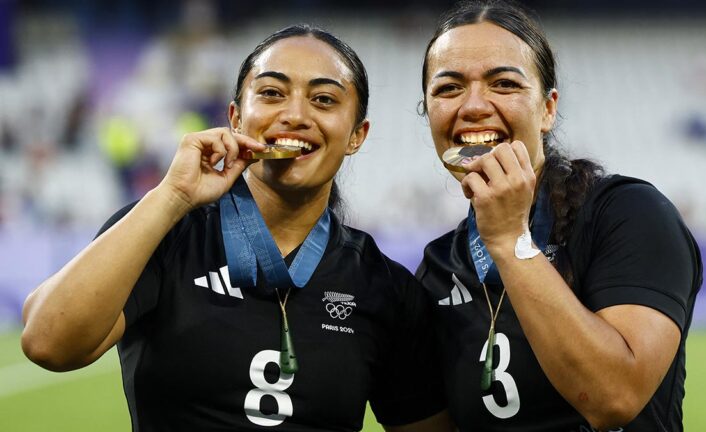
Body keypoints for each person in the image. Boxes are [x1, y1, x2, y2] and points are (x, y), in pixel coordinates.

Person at [21, 24, 453, 432]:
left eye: (323, 100)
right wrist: (172, 196)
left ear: (357, 135)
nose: (295, 114)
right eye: (271, 93)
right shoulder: (167, 233)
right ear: (236, 118)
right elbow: (48, 342)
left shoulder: (385, 288)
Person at [416, 1, 703, 431]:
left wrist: (510, 240)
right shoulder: (438, 267)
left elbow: (614, 397)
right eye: (448, 88)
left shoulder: (628, 214)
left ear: (547, 109)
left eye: (504, 84)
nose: (473, 106)